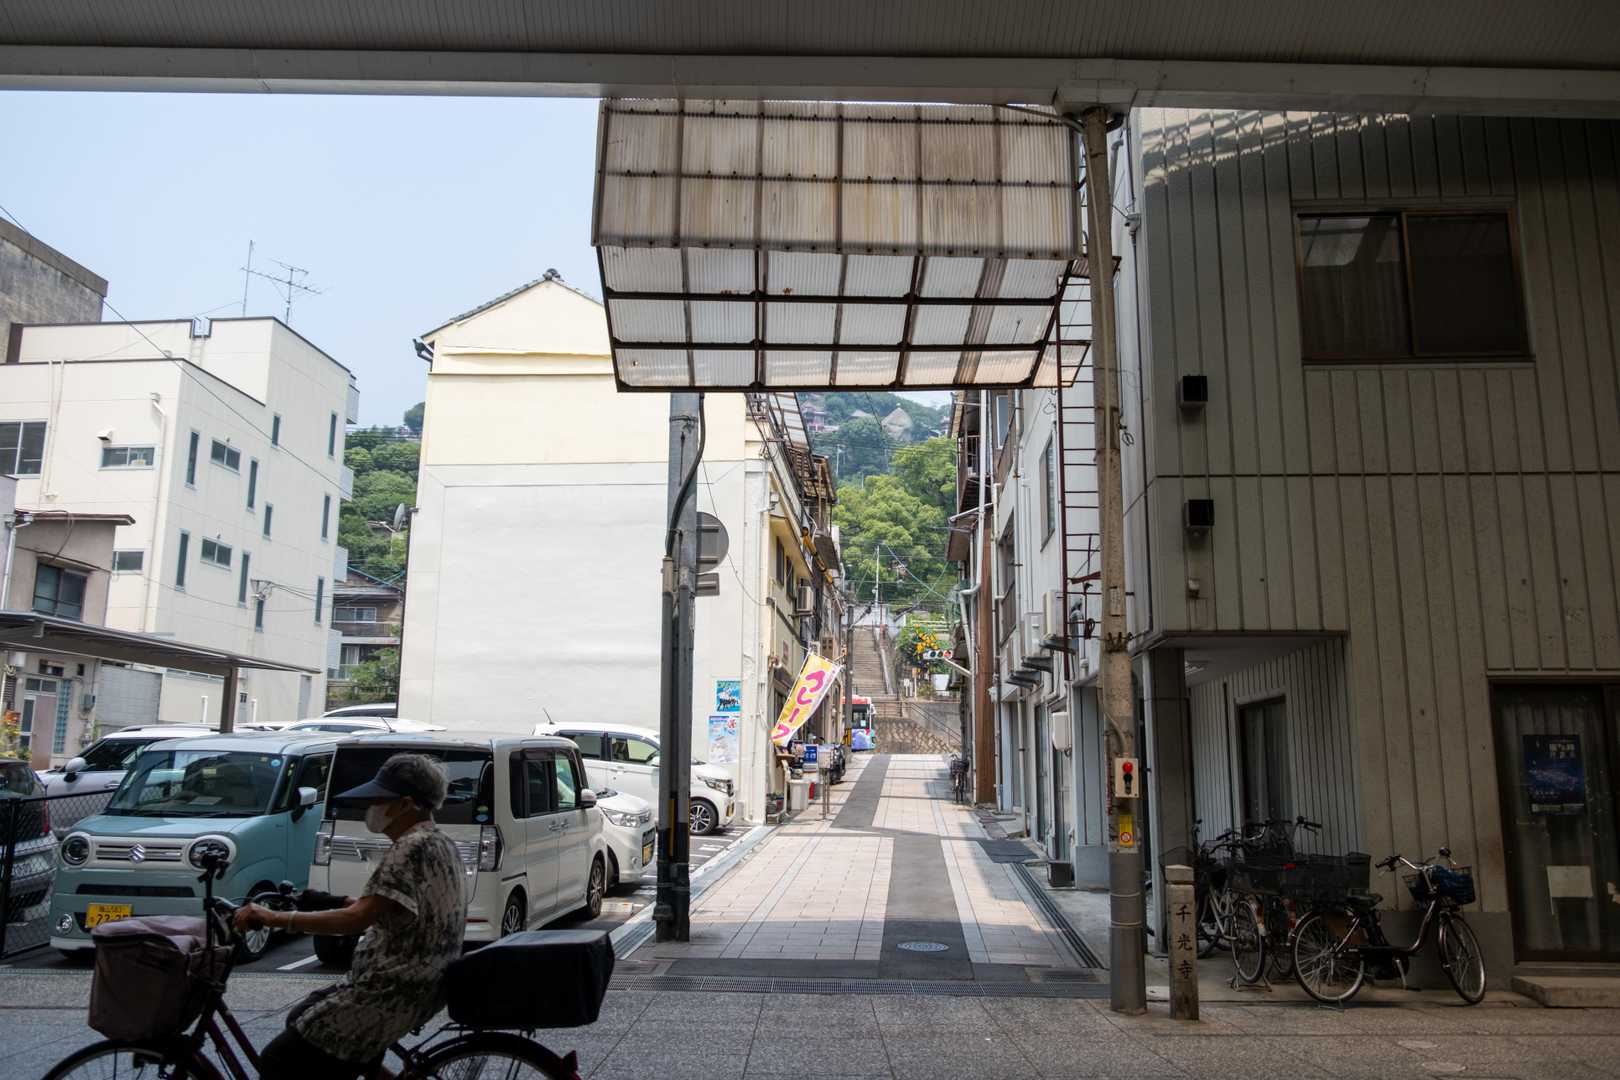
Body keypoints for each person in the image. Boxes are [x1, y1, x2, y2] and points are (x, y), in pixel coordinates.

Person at [233, 753, 466, 1078]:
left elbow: (357, 919)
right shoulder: (441, 843)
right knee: (303, 1018)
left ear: (405, 805)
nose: (370, 808)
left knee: (278, 1059)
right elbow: (395, 909)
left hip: (389, 990)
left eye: (379, 800)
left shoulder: (410, 848)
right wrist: (335, 901)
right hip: (420, 985)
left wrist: (274, 919)